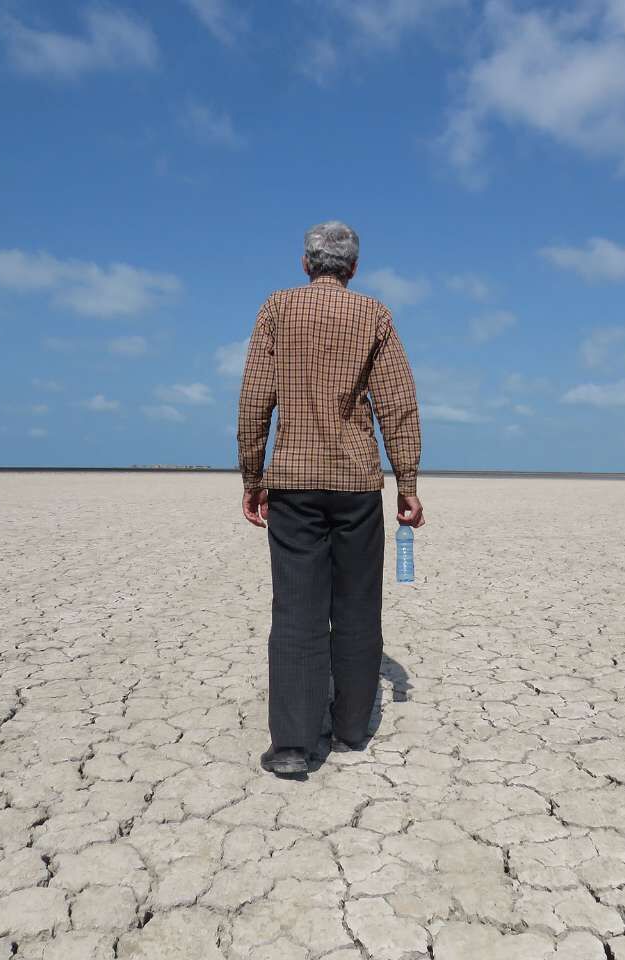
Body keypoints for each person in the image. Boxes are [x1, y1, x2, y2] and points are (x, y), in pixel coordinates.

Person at [237, 220, 424, 776]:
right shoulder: (374, 315)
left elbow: (253, 400)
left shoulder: (277, 308)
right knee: (358, 605)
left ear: (305, 263)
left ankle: (294, 744)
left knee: (296, 609)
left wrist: (252, 476)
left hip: (292, 482)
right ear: (354, 268)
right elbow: (398, 404)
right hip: (358, 482)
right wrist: (407, 483)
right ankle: (349, 728)